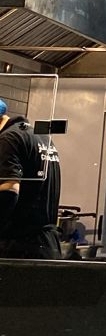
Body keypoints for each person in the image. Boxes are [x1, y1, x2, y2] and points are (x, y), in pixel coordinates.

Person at [0, 99, 62, 259]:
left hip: (20, 245)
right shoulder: (40, 136)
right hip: (46, 244)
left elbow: (9, 190)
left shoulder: (8, 139)